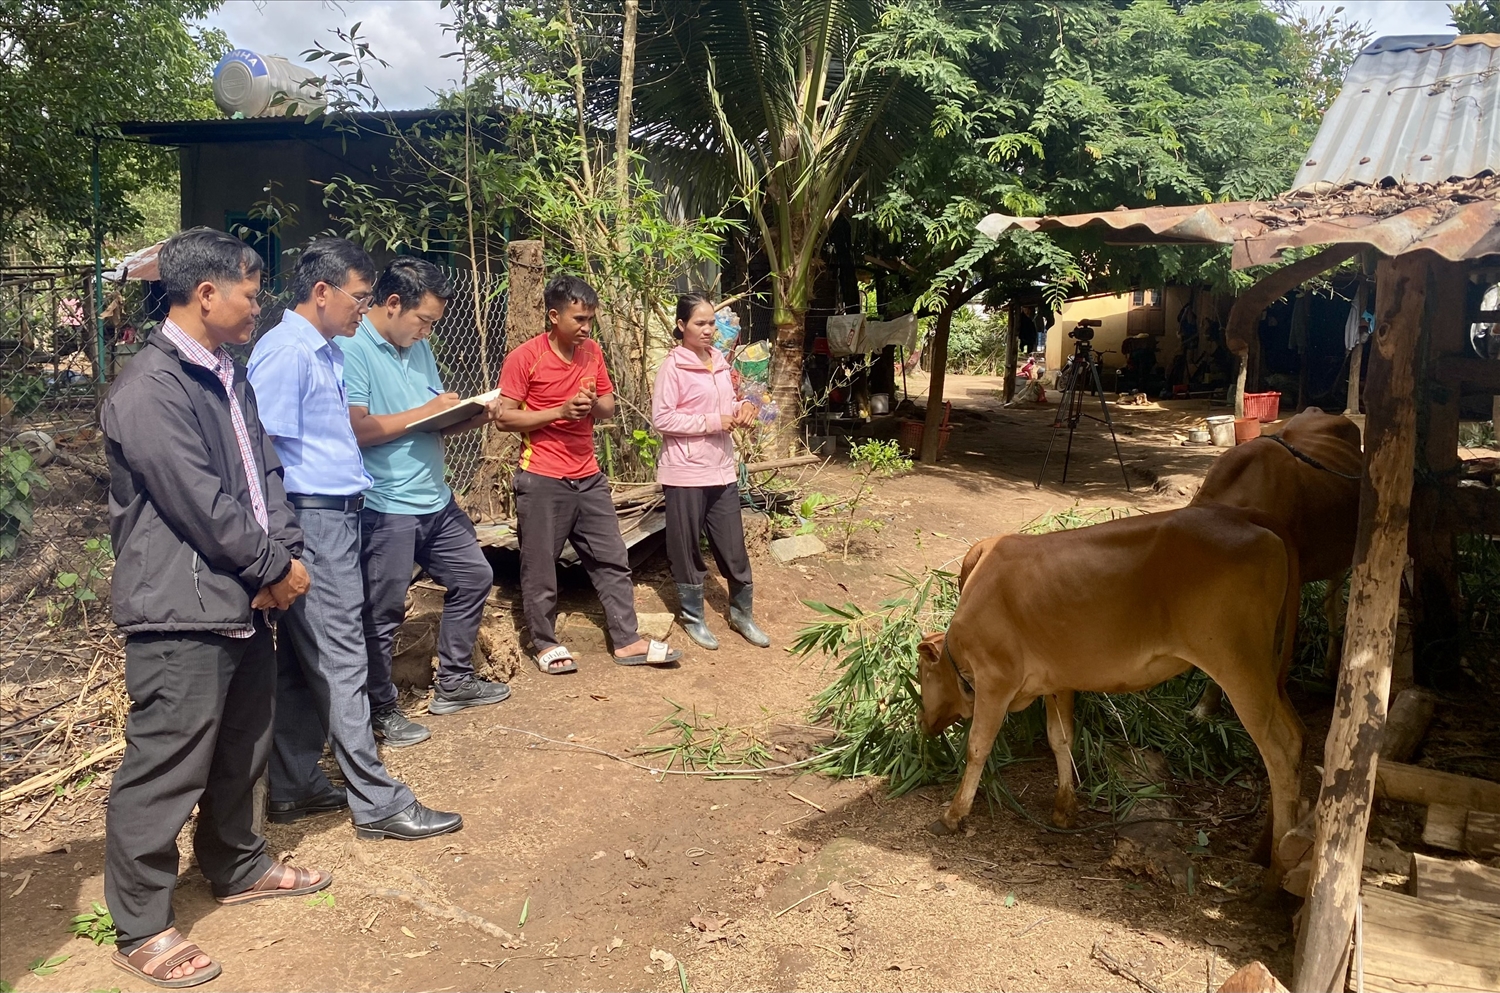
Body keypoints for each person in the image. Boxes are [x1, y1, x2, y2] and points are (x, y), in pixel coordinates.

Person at [101, 227, 327, 989]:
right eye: (251, 295)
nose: (257, 308)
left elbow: (266, 472)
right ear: (206, 294)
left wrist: (287, 554)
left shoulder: (231, 374)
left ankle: (236, 862)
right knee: (166, 764)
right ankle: (142, 922)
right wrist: (272, 565)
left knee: (243, 746)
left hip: (244, 595)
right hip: (181, 608)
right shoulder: (149, 387)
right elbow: (197, 500)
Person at [248, 239, 461, 841]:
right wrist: (282, 545)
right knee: (343, 654)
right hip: (311, 519)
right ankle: (378, 800)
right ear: (322, 293)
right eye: (358, 298)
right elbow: (262, 456)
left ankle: (292, 783)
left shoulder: (325, 352)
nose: (363, 311)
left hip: (337, 514)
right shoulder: (285, 354)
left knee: (300, 658)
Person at [342, 258, 509, 747]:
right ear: (393, 304)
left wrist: (476, 414)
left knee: (474, 576)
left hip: (432, 497)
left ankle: (454, 682)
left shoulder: (418, 347)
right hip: (384, 502)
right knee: (383, 610)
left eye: (433, 323)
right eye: (424, 320)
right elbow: (356, 429)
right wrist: (427, 411)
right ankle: (380, 709)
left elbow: (433, 419)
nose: (426, 331)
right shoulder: (353, 349)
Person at [495, 274, 682, 674]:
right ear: (553, 316)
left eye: (590, 320)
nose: (585, 328)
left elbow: (609, 406)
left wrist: (590, 404)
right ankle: (544, 642)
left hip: (588, 474)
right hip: (542, 477)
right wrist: (560, 412)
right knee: (540, 565)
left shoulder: (592, 352)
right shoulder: (524, 358)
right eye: (578, 319)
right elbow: (505, 417)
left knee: (612, 559)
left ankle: (627, 640)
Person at [652, 293, 770, 650]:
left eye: (711, 323)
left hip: (721, 470)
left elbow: (726, 406)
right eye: (699, 323)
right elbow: (663, 418)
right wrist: (712, 422)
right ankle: (693, 617)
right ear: (681, 326)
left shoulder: (719, 361)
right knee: (687, 548)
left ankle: (741, 614)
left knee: (733, 546)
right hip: (685, 472)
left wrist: (745, 407)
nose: (707, 330)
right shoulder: (672, 368)